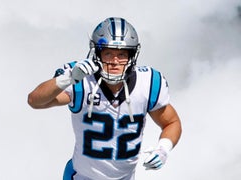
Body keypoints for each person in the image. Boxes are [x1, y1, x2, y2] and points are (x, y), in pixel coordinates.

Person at [28, 17, 182, 180]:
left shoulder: (148, 83)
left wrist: (164, 148)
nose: (115, 61)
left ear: (132, 55)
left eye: (121, 54)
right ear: (97, 53)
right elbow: (35, 101)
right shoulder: (82, 78)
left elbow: (171, 122)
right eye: (108, 53)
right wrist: (68, 79)